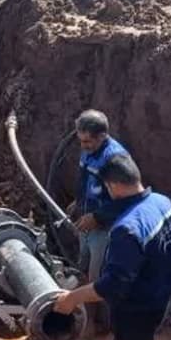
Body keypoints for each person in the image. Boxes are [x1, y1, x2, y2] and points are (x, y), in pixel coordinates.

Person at [53, 153, 171, 340]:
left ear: (114, 186)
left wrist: (72, 299)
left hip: (139, 306)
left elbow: (112, 285)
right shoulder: (162, 202)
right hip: (161, 290)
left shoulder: (127, 229)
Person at [72, 110, 127, 284]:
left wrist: (97, 217)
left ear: (102, 136)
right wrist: (78, 201)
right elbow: (84, 179)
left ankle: (96, 309)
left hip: (105, 230)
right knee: (82, 264)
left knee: (98, 279)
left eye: (87, 141)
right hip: (87, 222)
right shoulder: (89, 150)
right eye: (80, 140)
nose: (83, 145)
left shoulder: (115, 160)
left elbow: (125, 201)